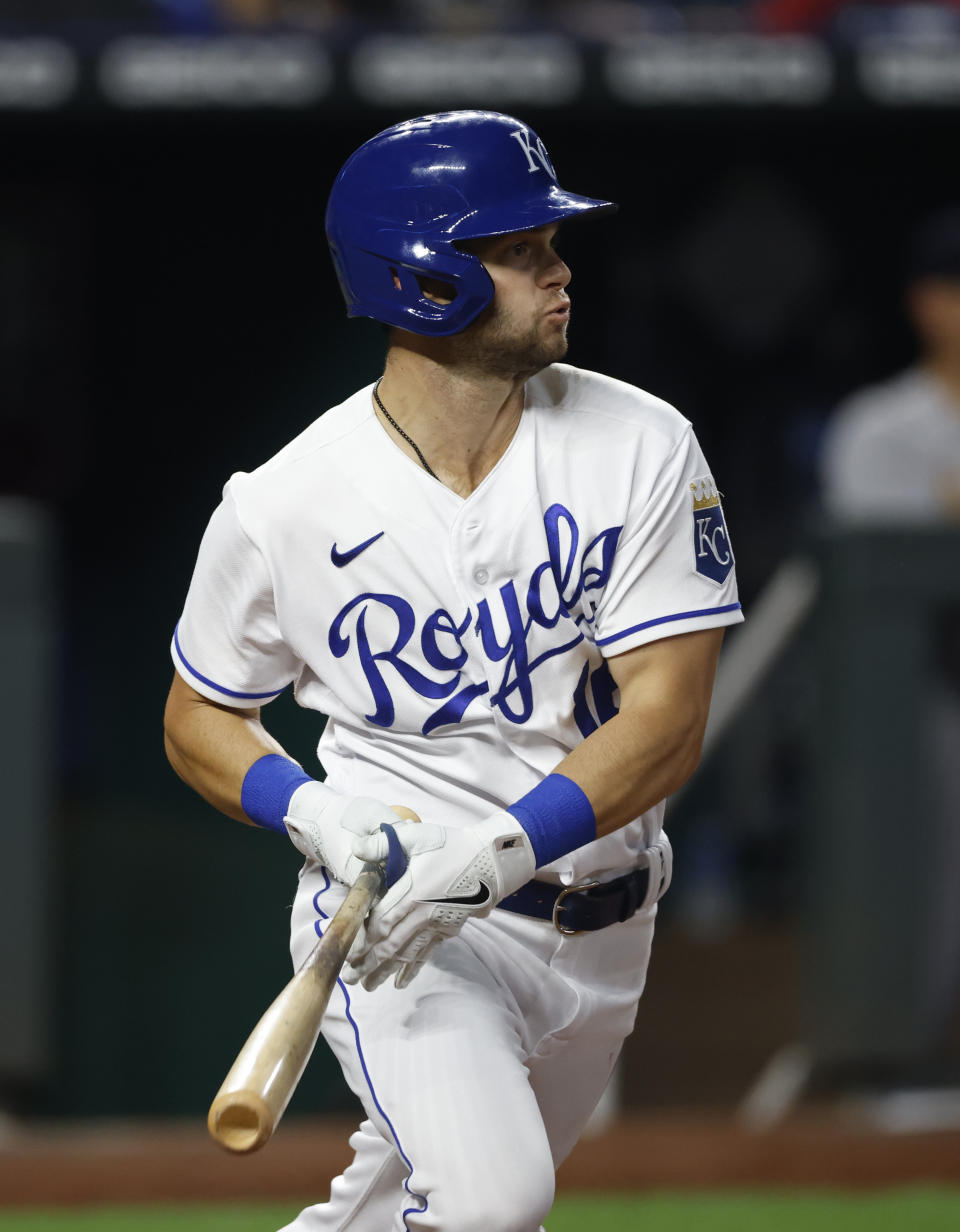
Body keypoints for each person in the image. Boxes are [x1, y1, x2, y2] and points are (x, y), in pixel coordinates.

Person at [163, 110, 744, 1232]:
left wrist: (499, 847)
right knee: (491, 1204)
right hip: (404, 930)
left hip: (605, 922)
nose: (559, 270)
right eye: (520, 249)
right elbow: (199, 716)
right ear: (424, 277)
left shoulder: (641, 444)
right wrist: (314, 809)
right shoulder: (283, 501)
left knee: (390, 1213)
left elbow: (667, 717)